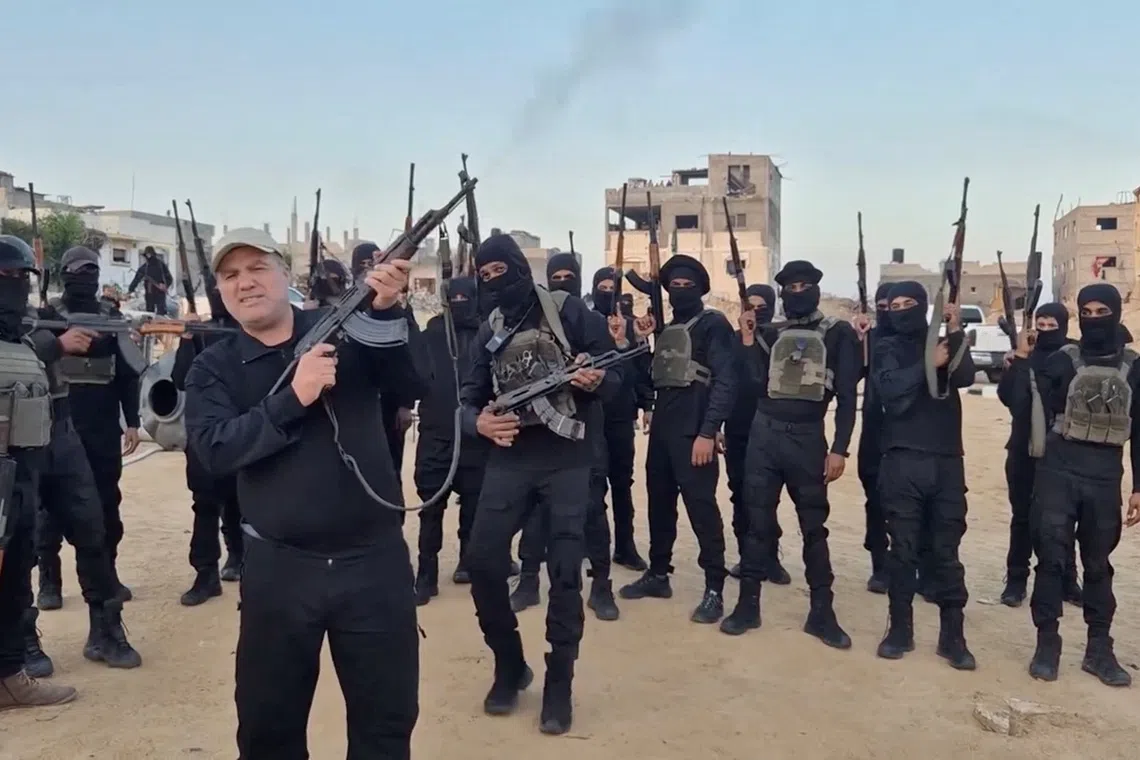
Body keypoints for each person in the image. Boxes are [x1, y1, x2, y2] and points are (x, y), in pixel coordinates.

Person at [184, 228, 421, 757]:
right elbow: (215, 451)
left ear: (285, 275)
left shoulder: (349, 328)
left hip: (373, 565)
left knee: (386, 727)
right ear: (220, 291)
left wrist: (384, 310)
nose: (245, 283)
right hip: (279, 571)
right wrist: (294, 398)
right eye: (230, 275)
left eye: (257, 268)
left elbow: (413, 384)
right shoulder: (212, 368)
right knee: (269, 732)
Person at [461, 234, 620, 735]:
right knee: (483, 561)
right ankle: (510, 663)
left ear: (516, 266)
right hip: (510, 458)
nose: (492, 282)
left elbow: (619, 378)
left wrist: (593, 381)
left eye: (499, 272)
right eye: (483, 276)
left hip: (569, 458)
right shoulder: (490, 327)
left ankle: (559, 683)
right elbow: (465, 398)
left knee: (566, 572)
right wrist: (478, 424)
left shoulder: (568, 312)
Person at [721, 261, 858, 648]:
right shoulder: (769, 333)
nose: (796, 292)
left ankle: (822, 612)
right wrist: (747, 339)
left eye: (804, 285)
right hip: (764, 434)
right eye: (790, 286)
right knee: (756, 523)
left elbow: (847, 396)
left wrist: (840, 449)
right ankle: (748, 607)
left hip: (808, 436)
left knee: (814, 527)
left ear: (815, 287)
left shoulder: (837, 333)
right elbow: (751, 382)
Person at [1026, 283, 1139, 686]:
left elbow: (1139, 431)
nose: (1093, 319)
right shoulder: (1062, 359)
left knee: (1097, 564)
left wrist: (1139, 487)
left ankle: (1099, 649)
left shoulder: (1133, 365)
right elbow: (1031, 404)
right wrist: (1023, 361)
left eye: (1100, 311)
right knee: (1052, 560)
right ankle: (1047, 643)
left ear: (1116, 311)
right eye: (1085, 312)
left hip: (1105, 475)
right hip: (1059, 470)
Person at [619, 254, 736, 625]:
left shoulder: (713, 324)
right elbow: (649, 374)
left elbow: (726, 381)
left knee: (701, 509)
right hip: (665, 430)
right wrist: (637, 338)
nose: (680, 291)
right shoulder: (666, 328)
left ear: (700, 289)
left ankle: (714, 587)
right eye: (674, 286)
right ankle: (658, 574)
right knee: (659, 504)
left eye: (687, 286)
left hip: (694, 429)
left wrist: (707, 432)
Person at [872, 281, 976, 670]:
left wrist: (954, 329)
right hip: (902, 461)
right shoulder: (886, 346)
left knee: (947, 552)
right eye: (894, 304)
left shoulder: (944, 341)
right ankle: (900, 630)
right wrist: (926, 365)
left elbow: (964, 375)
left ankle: (953, 637)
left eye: (909, 303)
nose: (900, 310)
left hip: (947, 461)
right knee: (902, 550)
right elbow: (887, 389)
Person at [511, 254, 621, 620]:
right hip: (537, 435)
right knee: (534, 510)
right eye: (554, 277)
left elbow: (617, 380)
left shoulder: (588, 321)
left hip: (583, 431)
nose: (561, 283)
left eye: (567, 277)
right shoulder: (527, 320)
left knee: (592, 507)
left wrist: (595, 380)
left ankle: (601, 585)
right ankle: (528, 580)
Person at [35, 246, 140, 611]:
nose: (85, 275)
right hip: (58, 426)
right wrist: (56, 345)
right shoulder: (47, 317)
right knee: (48, 510)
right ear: (64, 273)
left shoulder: (111, 318)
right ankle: (49, 580)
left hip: (103, 430)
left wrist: (134, 423)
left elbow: (128, 374)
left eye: (91, 269)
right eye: (77, 269)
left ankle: (105, 575)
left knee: (106, 507)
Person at [0, 234, 78, 709]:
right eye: (4, 279)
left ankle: (10, 677)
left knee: (13, 587)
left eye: (20, 279)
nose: (14, 288)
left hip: (21, 485)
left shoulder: (27, 343)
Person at [996, 303, 1082, 608]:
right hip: (1022, 448)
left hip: (1062, 451)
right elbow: (1008, 398)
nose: (1045, 331)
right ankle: (1016, 582)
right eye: (1040, 325)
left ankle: (1068, 582)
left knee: (1060, 522)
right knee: (1022, 518)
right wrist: (1018, 360)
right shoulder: (1024, 354)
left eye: (1051, 326)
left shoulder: (1074, 355)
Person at [412, 274, 488, 604]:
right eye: (453, 298)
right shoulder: (431, 332)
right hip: (436, 432)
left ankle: (468, 564)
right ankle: (425, 574)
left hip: (474, 433)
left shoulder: (486, 331)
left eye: (465, 298)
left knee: (474, 504)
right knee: (431, 506)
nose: (459, 304)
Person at [171, 271, 243, 605]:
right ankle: (205, 573)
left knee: (241, 502)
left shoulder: (251, 329)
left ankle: (239, 558)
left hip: (243, 428)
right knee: (205, 506)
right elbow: (180, 378)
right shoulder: (201, 330)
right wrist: (188, 338)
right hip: (204, 434)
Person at [724, 284, 790, 584]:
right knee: (740, 494)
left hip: (769, 426)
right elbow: (723, 384)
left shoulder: (779, 338)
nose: (755, 310)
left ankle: (771, 558)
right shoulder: (732, 340)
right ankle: (747, 557)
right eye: (750, 304)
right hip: (738, 426)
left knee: (767, 497)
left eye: (762, 305)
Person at [590, 266, 652, 571]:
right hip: (590, 416)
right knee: (592, 485)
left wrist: (647, 405)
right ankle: (594, 546)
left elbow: (642, 371)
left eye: (610, 287)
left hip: (621, 415)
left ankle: (625, 546)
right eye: (600, 287)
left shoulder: (630, 325)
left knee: (621, 485)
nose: (606, 293)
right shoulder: (583, 323)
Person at [351, 243, 419, 493]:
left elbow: (412, 362)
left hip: (388, 406)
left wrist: (405, 405)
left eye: (373, 265)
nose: (368, 271)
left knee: (389, 471)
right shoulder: (341, 307)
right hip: (352, 407)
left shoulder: (397, 309)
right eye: (364, 266)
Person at [852, 283, 893, 593]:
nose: (887, 311)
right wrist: (859, 340)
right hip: (873, 434)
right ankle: (880, 564)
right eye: (881, 305)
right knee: (875, 502)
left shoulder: (921, 340)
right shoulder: (871, 338)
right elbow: (854, 373)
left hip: (908, 436)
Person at [127, 245, 173, 315]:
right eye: (147, 255)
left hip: (160, 292)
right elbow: (136, 279)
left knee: (161, 312)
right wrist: (130, 290)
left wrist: (165, 285)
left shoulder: (161, 265)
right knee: (149, 313)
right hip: (149, 293)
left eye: (150, 254)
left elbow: (169, 278)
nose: (148, 256)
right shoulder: (144, 267)